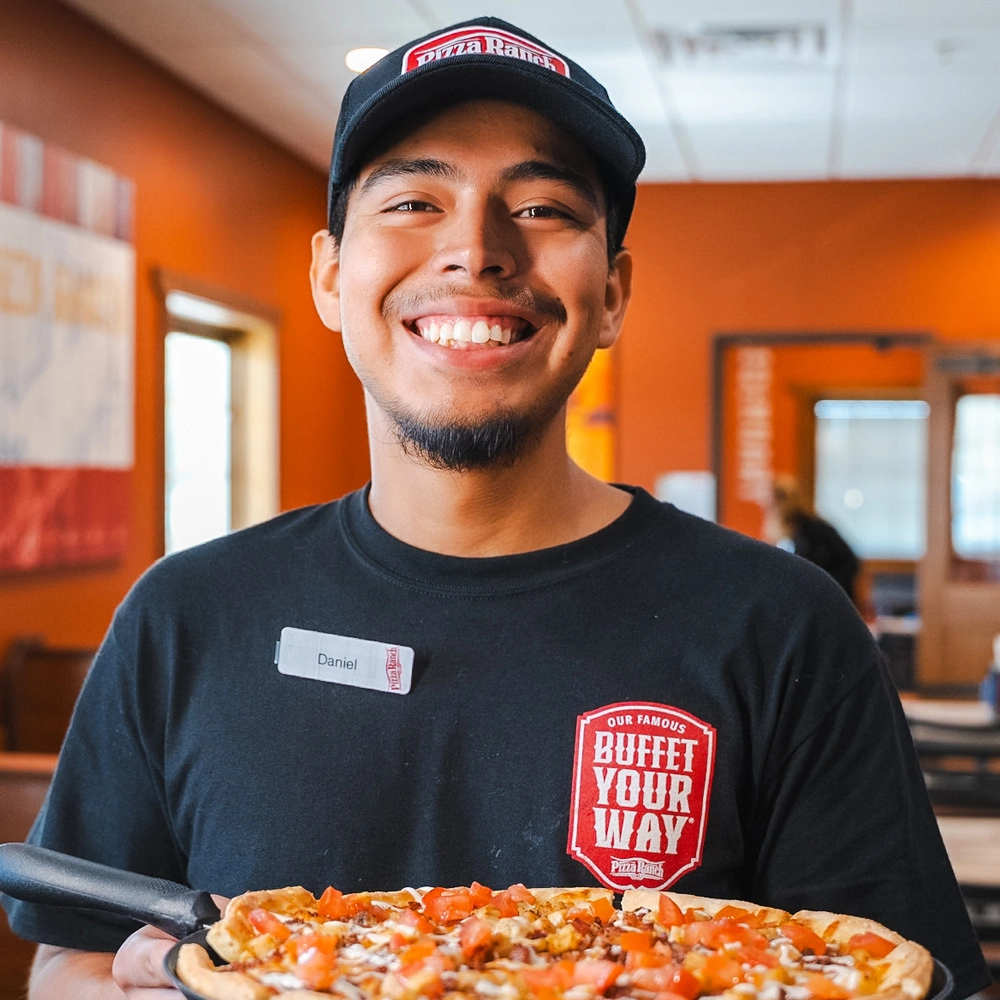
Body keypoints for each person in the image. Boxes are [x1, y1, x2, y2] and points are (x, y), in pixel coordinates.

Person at [3, 16, 990, 1000]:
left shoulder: (786, 626)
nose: (474, 250)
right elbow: (70, 961)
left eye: (544, 207)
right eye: (414, 200)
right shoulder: (185, 614)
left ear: (611, 293)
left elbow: (891, 977)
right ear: (330, 274)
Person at [764, 475, 861, 603]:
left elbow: (850, 563)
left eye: (772, 504)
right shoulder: (788, 532)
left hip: (828, 599)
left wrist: (824, 587)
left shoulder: (814, 529)